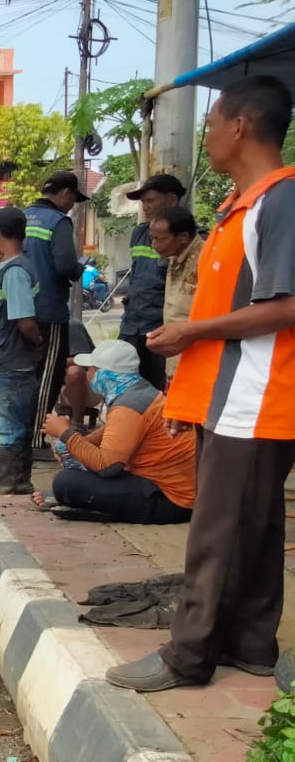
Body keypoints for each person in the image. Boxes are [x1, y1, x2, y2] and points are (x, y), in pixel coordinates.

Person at [104, 75, 295, 691]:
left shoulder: (279, 202)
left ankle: (187, 657)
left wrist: (193, 332)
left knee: (214, 533)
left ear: (240, 126)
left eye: (211, 124)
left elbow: (287, 305)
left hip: (255, 397)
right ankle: (251, 644)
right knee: (255, 527)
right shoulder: (241, 208)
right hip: (233, 396)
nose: (207, 135)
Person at [36, 339, 194, 523]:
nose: (89, 375)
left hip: (169, 499)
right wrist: (75, 444)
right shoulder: (142, 392)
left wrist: (66, 434)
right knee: (82, 461)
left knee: (66, 483)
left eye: (91, 370)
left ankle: (82, 503)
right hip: (170, 490)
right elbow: (110, 435)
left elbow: (107, 466)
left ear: (105, 374)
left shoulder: (129, 406)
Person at [0, 207, 44, 494]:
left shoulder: (15, 272)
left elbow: (24, 322)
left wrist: (39, 341)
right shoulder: (7, 267)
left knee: (7, 429)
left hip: (10, 363)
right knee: (16, 425)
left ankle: (7, 487)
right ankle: (17, 483)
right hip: (8, 360)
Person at [24, 170, 87, 448]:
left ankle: (16, 438)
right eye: (73, 199)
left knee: (23, 376)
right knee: (47, 377)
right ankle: (36, 441)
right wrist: (79, 268)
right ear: (65, 194)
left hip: (19, 310)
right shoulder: (59, 222)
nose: (72, 205)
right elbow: (64, 265)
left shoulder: (21, 216)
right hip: (48, 310)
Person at [118, 173, 186, 388]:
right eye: (143, 202)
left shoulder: (190, 239)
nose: (145, 207)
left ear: (172, 200)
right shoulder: (139, 233)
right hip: (132, 328)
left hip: (162, 331)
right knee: (126, 390)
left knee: (161, 394)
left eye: (150, 201)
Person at [151, 205, 204, 379]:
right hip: (175, 359)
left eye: (161, 239)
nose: (154, 246)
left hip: (199, 359)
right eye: (153, 239)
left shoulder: (206, 258)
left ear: (183, 238)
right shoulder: (174, 257)